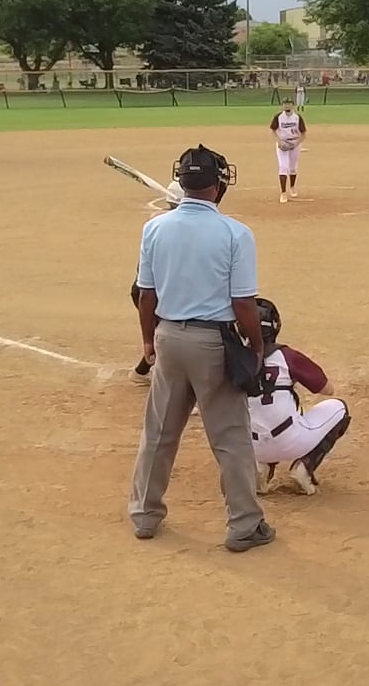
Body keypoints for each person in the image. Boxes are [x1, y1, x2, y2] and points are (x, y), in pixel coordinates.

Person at [129, 145, 275, 552]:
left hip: (168, 338)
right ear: (218, 185)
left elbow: (146, 294)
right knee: (230, 437)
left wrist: (148, 340)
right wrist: (256, 345)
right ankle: (244, 524)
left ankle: (144, 514)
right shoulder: (235, 233)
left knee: (159, 432)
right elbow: (243, 303)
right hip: (214, 343)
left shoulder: (155, 228)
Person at [248, 297, 351, 496]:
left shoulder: (235, 359)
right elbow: (327, 389)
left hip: (250, 446)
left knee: (253, 415)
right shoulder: (287, 356)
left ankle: (260, 466)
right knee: (339, 408)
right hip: (291, 441)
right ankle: (304, 467)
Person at [129, 179, 185, 385]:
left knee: (166, 334)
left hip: (148, 289)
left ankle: (142, 370)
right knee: (175, 336)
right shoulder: (170, 227)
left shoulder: (157, 223)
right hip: (158, 293)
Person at [268, 98, 306, 204]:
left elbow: (303, 134)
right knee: (283, 167)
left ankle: (292, 187)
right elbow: (273, 130)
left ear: (292, 105)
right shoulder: (278, 117)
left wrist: (296, 143)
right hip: (283, 144)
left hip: (295, 143)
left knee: (293, 168)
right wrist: (279, 141)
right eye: (285, 104)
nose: (286, 106)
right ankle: (283, 193)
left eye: (289, 104)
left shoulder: (297, 118)